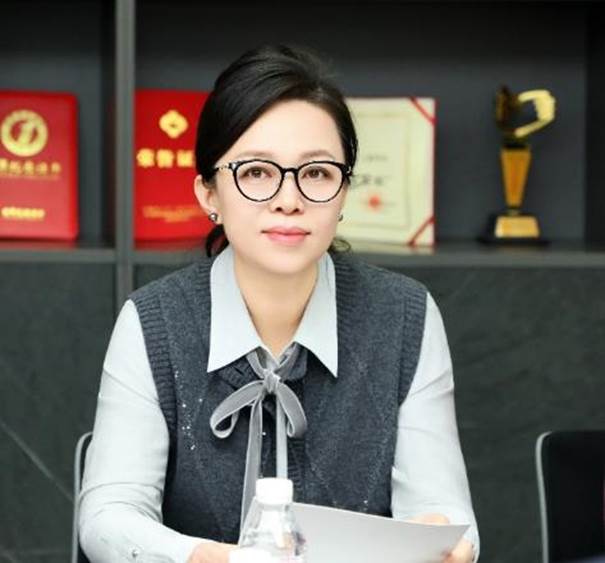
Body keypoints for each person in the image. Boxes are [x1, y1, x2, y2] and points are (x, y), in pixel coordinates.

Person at [78, 44, 480, 563]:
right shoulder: (154, 322)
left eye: (316, 173)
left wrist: (443, 539)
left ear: (343, 192)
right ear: (208, 194)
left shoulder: (406, 318)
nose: (289, 200)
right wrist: (212, 559)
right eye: (256, 172)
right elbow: (108, 517)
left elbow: (445, 512)